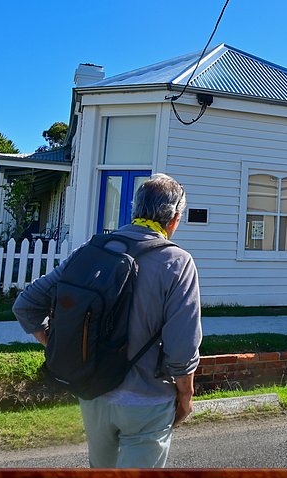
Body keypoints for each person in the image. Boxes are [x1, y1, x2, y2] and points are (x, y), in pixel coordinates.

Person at [12, 173, 202, 468]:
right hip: (147, 402)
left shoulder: (92, 250)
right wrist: (186, 395)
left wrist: (57, 341)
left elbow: (26, 306)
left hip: (94, 394)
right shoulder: (177, 262)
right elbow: (183, 345)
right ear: (174, 219)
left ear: (135, 210)